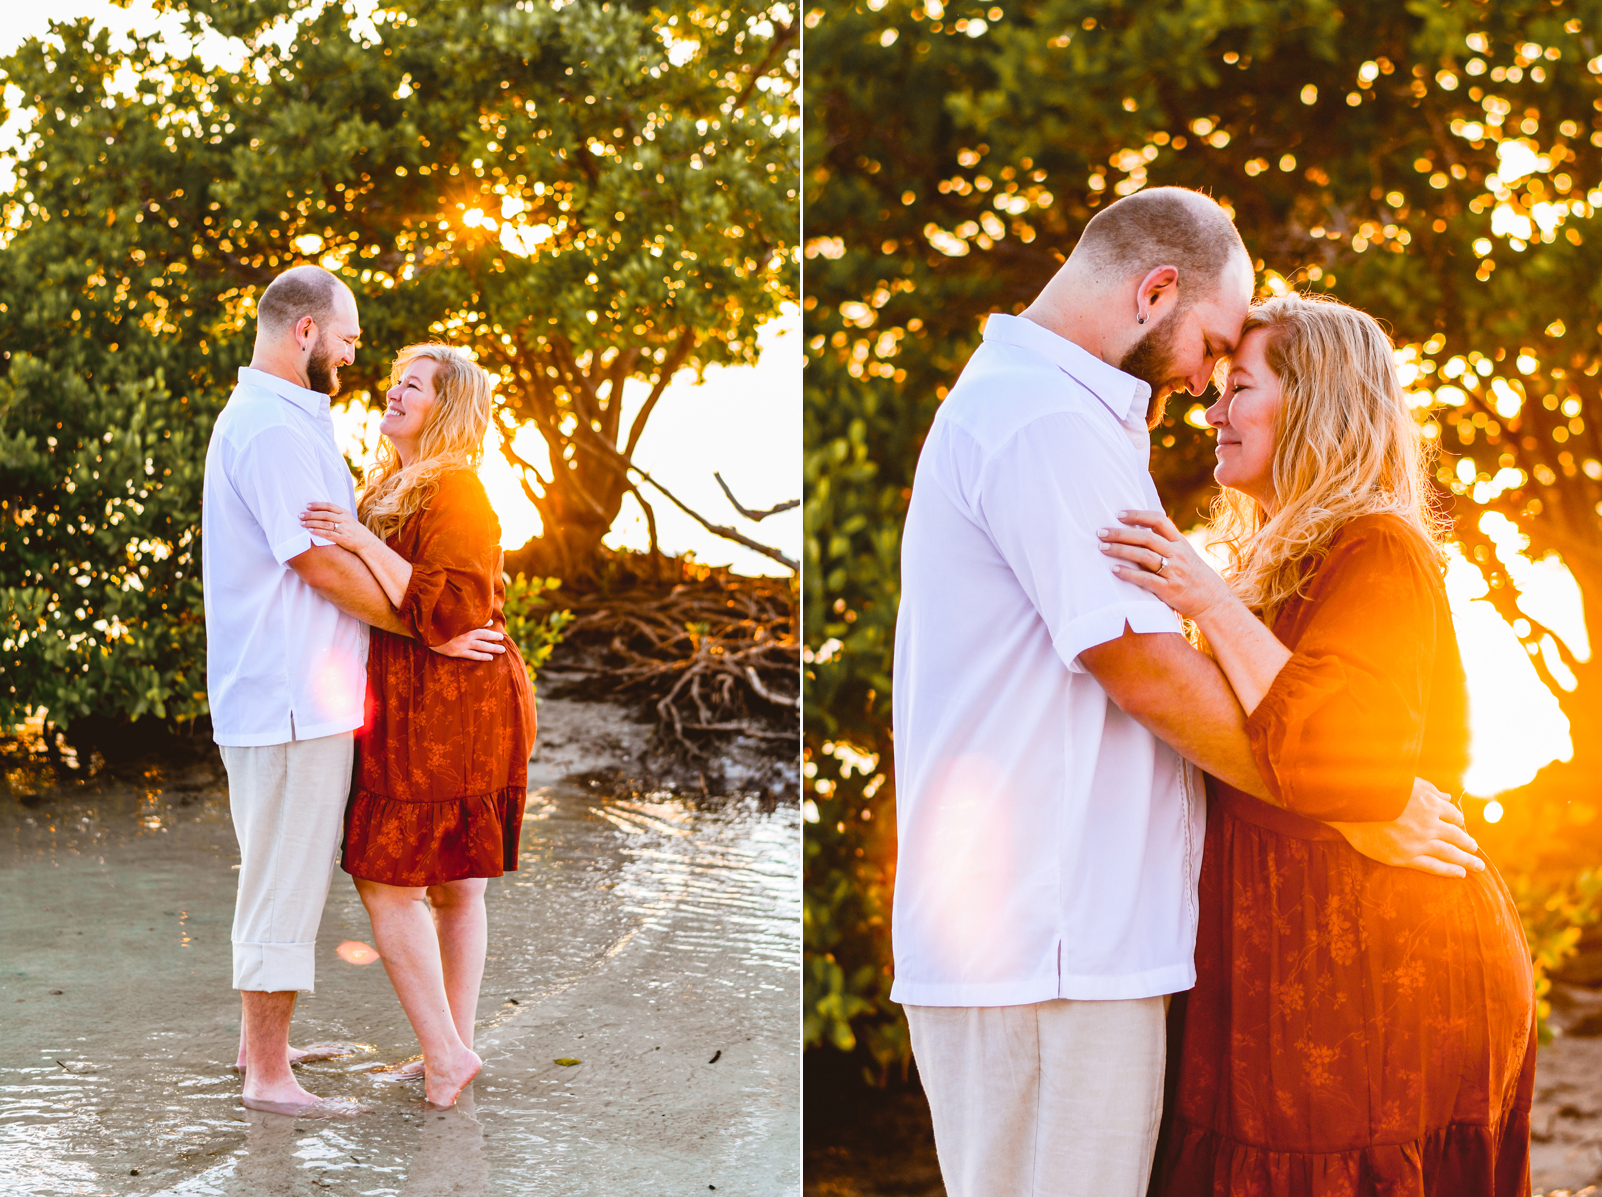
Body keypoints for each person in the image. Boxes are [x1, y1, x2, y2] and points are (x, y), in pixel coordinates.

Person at [888, 188, 1479, 1196]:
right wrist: (1351, 797)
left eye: (1233, 373)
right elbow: (1148, 667)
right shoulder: (1044, 422)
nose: (1209, 384)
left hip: (1072, 948)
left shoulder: (1052, 413)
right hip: (1050, 948)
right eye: (1214, 349)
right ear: (1155, 292)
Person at [1099, 293, 1534, 1194]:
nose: (1210, 412)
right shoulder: (1278, 555)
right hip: (1281, 953)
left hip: (1377, 965)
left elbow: (1354, 757)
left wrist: (1208, 601)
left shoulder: (1378, 548)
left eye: (1237, 388)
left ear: (1316, 403)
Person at [202, 266, 502, 1118]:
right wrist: (429, 627)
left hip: (301, 697)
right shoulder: (270, 430)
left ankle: (261, 1047)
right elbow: (317, 561)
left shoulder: (290, 420)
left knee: (279, 873)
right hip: (292, 699)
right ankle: (268, 1075)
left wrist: (429, 614)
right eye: (350, 335)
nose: (355, 351)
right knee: (281, 882)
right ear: (306, 332)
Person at [298, 343, 536, 1110]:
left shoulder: (458, 490)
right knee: (450, 887)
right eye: (396, 380)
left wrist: (362, 540)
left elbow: (455, 611)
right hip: (425, 691)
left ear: (450, 407)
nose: (394, 393)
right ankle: (454, 1049)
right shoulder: (395, 484)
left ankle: (443, 1052)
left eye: (415, 386)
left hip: (456, 701)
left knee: (394, 880)